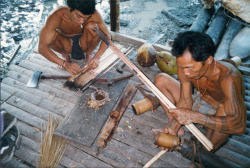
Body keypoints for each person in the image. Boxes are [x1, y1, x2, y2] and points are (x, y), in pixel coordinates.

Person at [153, 31, 246, 151]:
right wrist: (173, 126)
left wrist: (195, 117)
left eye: (190, 67)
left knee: (223, 110)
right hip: (199, 100)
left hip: (220, 114)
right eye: (181, 66)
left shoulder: (228, 77)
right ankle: (176, 129)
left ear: (208, 60)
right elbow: (186, 100)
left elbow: (239, 126)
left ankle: (202, 154)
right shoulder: (184, 67)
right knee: (161, 79)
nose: (185, 72)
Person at [38, 0, 110, 75]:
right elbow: (42, 47)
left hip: (84, 42)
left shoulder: (94, 15)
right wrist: (65, 64)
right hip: (66, 44)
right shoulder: (56, 16)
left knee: (93, 26)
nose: (81, 21)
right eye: (79, 16)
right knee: (49, 34)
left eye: (86, 18)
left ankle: (89, 54)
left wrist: (97, 57)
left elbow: (107, 36)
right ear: (69, 8)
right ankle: (65, 55)